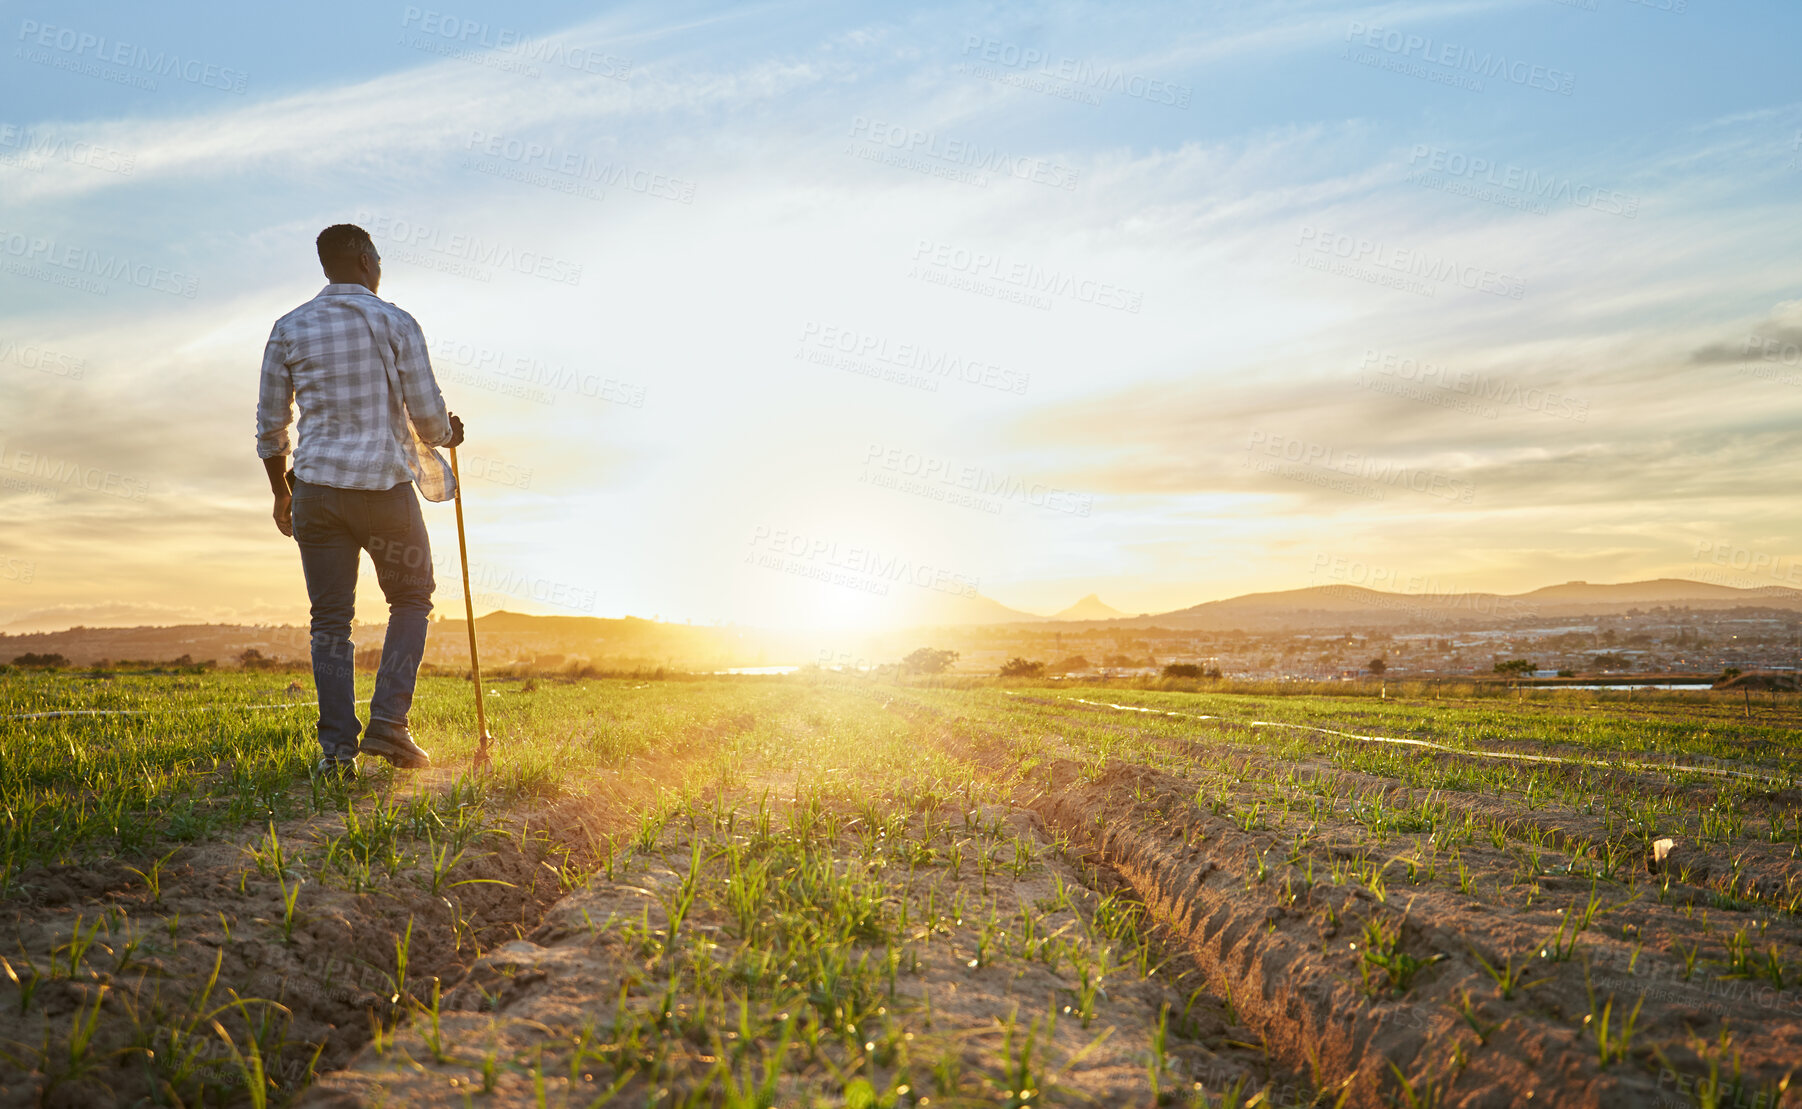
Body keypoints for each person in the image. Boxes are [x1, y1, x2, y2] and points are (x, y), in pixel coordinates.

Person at [255, 223, 464, 780]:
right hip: (383, 490)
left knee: (330, 620)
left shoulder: (289, 327)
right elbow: (428, 416)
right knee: (412, 599)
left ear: (327, 266)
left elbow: (271, 426)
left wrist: (282, 492)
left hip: (316, 491)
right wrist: (448, 433)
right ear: (369, 260)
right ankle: (389, 724)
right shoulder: (395, 321)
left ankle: (337, 753)